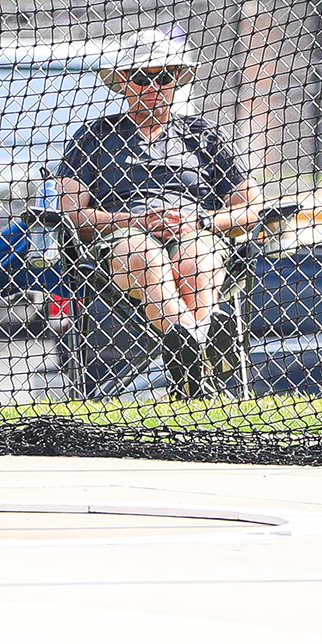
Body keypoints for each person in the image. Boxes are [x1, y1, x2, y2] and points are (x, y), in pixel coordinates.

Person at [51, 29, 265, 398]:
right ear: (123, 81)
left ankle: (189, 361)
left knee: (197, 259)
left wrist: (202, 221)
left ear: (177, 80)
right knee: (147, 256)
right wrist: (137, 221)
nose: (153, 87)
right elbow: (72, 215)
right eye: (141, 77)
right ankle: (204, 343)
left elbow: (251, 206)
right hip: (122, 237)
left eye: (164, 77)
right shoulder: (94, 136)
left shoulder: (203, 135)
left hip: (195, 230)